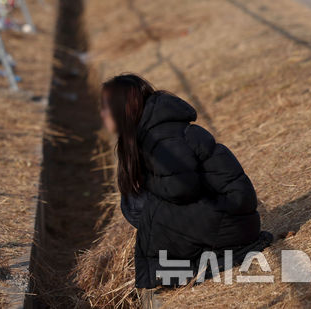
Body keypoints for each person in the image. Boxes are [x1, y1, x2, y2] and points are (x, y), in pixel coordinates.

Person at [99, 74, 272, 294]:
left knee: (137, 202)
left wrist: (146, 180)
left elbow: (182, 187)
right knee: (136, 200)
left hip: (232, 223)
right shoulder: (152, 129)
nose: (102, 114)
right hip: (229, 216)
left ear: (124, 107)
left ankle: (200, 254)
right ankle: (196, 252)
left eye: (106, 107)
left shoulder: (161, 135)